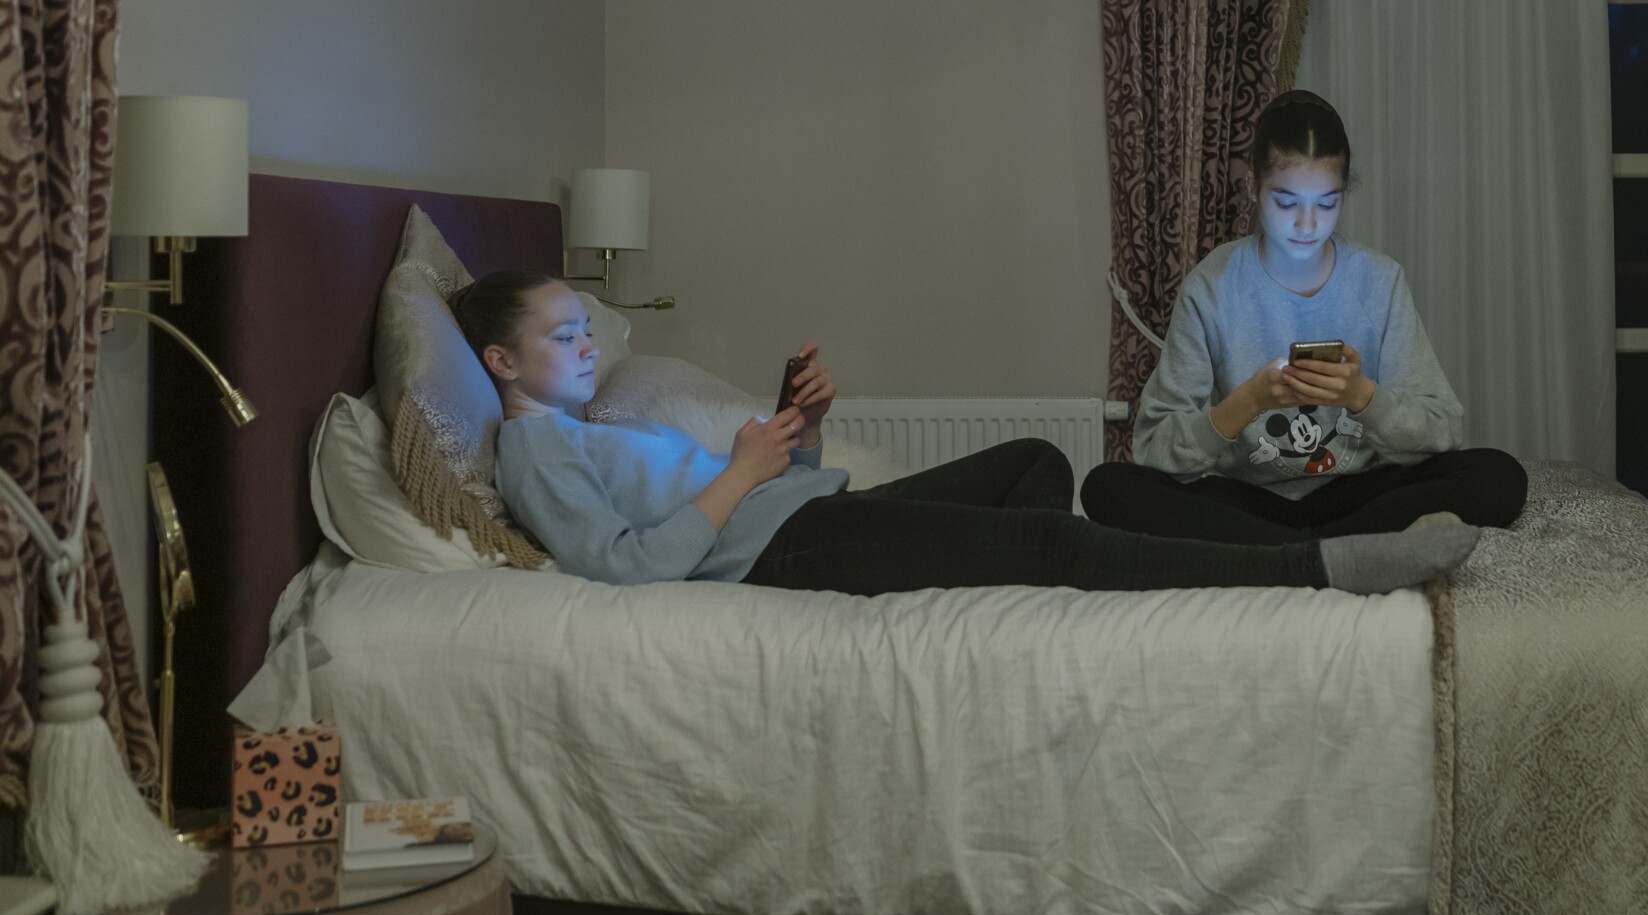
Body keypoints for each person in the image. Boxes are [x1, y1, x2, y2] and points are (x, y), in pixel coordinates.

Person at [447, 271, 1481, 598]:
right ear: (500, 363)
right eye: (562, 333)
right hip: (783, 554)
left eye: (590, 327)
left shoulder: (599, 424)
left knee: (1035, 465)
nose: (588, 343)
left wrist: (797, 435)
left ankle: (1013, 585)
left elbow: (736, 493)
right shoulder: (537, 450)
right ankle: (1323, 568)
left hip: (802, 514)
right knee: (1053, 536)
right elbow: (626, 570)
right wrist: (744, 474)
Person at [1080, 90, 1528, 546]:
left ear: (1344, 193)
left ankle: (1282, 556)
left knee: (1499, 475)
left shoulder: (1379, 281)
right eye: (1288, 203)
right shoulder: (1212, 287)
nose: (1308, 225)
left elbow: (1443, 429)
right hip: (1248, 498)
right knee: (1107, 486)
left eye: (1327, 203)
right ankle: (1332, 552)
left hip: (1354, 495)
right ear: (1253, 185)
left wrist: (1361, 396)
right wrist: (1247, 402)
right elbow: (1155, 447)